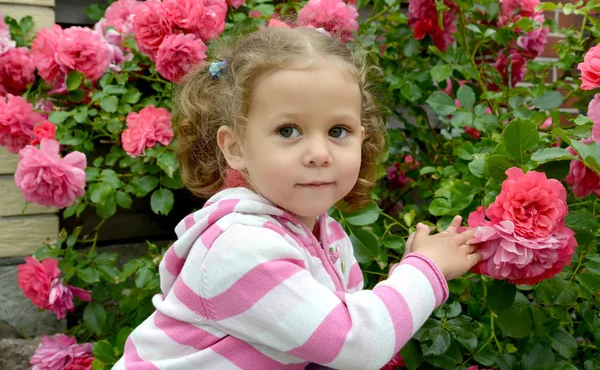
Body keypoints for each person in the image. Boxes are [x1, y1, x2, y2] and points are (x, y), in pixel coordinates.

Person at [113, 26, 481, 370]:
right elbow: (359, 343)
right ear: (236, 147)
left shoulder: (328, 234)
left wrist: (409, 269)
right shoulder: (239, 247)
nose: (319, 153)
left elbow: (337, 338)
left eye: (338, 130)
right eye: (288, 130)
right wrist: (425, 270)